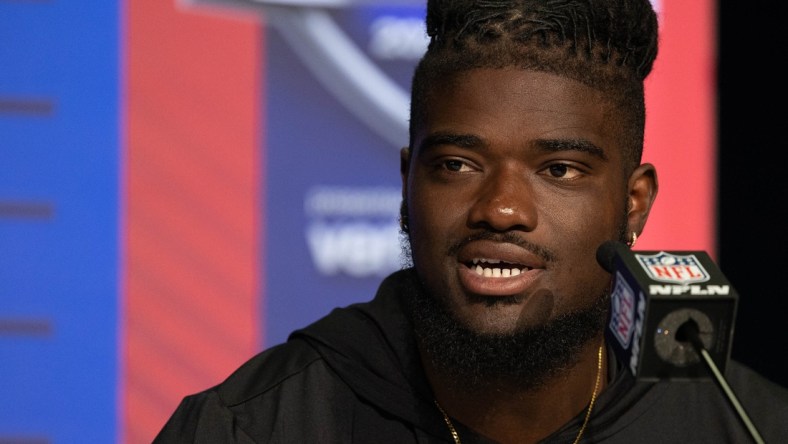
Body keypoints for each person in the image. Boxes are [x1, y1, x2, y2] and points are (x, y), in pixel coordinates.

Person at [154, 0, 788, 442]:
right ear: (407, 182)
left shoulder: (748, 425)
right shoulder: (251, 427)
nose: (501, 209)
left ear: (634, 203)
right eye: (458, 164)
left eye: (559, 170)